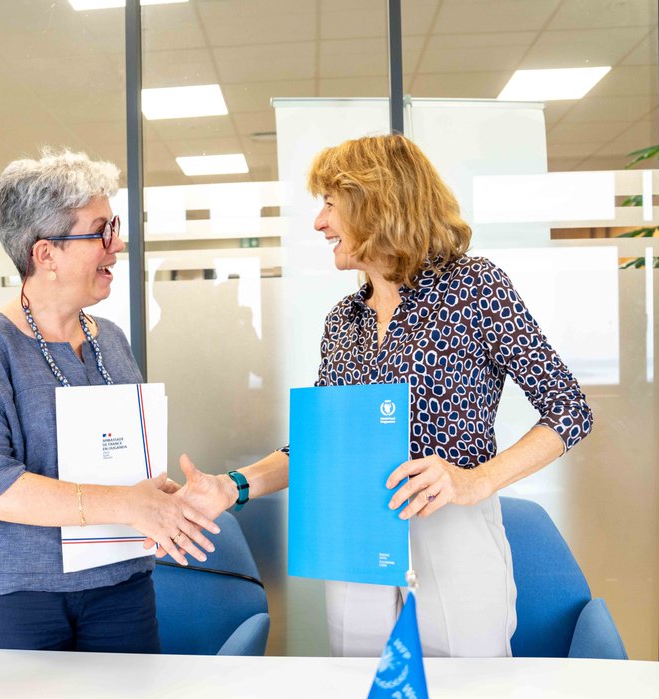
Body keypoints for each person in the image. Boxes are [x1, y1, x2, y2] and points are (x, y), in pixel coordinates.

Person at [178, 133, 593, 658]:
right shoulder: (343, 321)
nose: (319, 222)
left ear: (376, 202)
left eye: (330, 203)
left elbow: (568, 409)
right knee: (363, 686)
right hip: (357, 530)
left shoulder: (474, 288)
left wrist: (476, 481)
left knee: (467, 693)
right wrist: (232, 486)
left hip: (449, 528)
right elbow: (319, 446)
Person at [0, 149, 219, 653]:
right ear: (45, 254)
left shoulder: (109, 338)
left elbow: (120, 455)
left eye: (113, 227)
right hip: (19, 594)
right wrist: (128, 504)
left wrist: (156, 498)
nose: (118, 244)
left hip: (119, 582)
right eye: (100, 232)